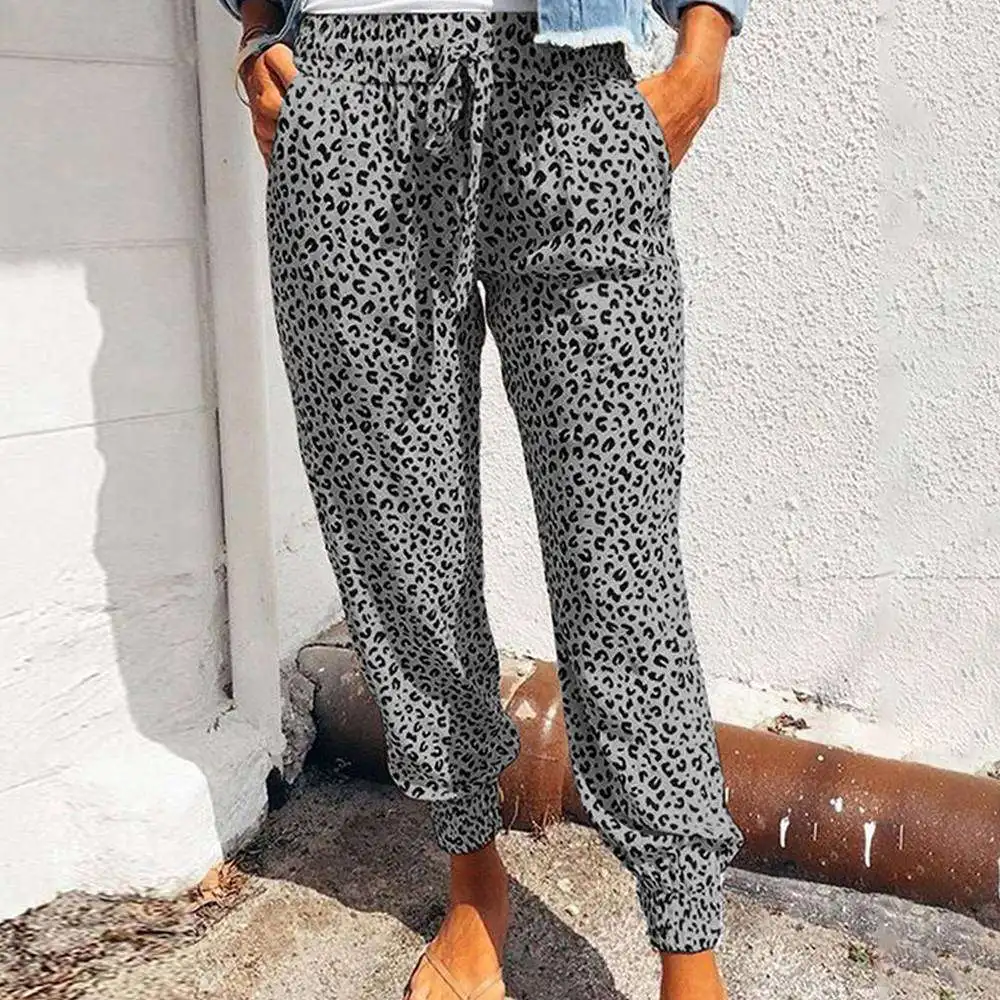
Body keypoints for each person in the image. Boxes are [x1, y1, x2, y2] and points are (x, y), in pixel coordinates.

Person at [220, 0, 749, 996]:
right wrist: (256, 31)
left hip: (570, 90)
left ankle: (689, 947)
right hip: (348, 95)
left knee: (620, 553)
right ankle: (472, 881)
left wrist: (703, 48)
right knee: (398, 542)